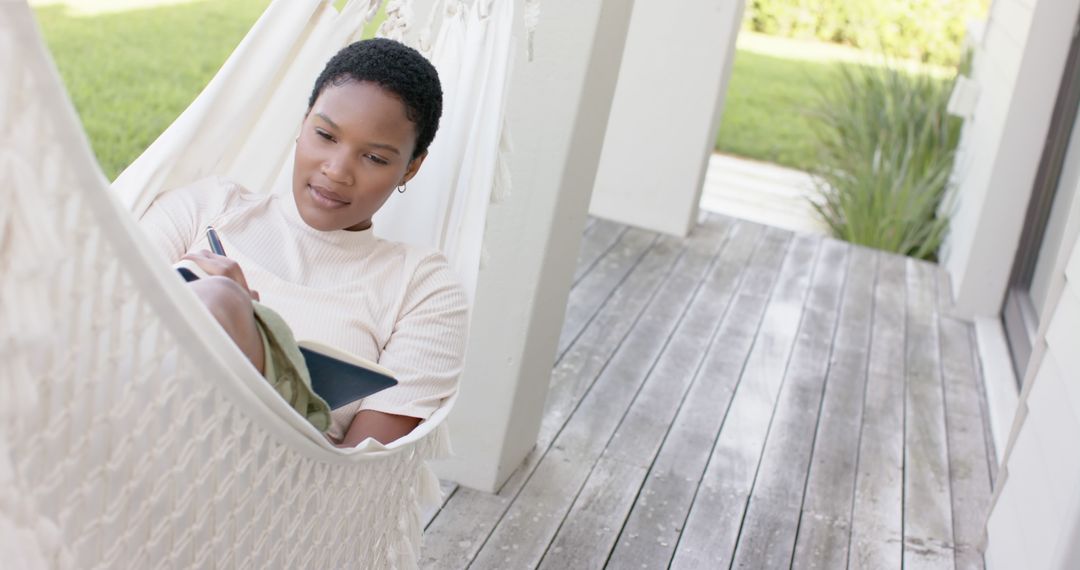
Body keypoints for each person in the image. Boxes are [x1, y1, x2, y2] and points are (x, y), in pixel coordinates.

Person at [138, 38, 469, 447]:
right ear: (302, 124)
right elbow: (102, 319)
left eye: (375, 158)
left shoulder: (422, 289)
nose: (337, 171)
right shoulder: (204, 209)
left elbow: (363, 473)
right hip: (141, 433)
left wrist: (240, 318)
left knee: (218, 302)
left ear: (411, 169)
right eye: (325, 135)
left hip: (279, 484)